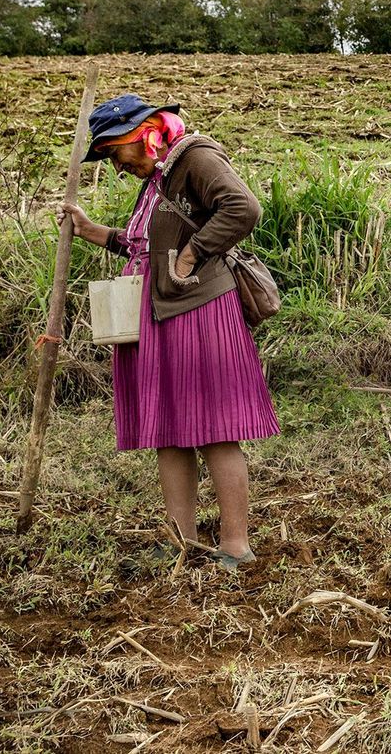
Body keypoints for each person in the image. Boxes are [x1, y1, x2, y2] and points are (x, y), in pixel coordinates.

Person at [60, 94, 278, 569]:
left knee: (217, 430)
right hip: (159, 312)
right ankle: (181, 539)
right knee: (170, 431)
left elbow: (243, 208)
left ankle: (235, 545)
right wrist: (93, 230)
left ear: (142, 135)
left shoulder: (195, 157)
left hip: (201, 310)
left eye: (117, 154)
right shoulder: (159, 174)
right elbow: (146, 242)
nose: (118, 167)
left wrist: (192, 254)